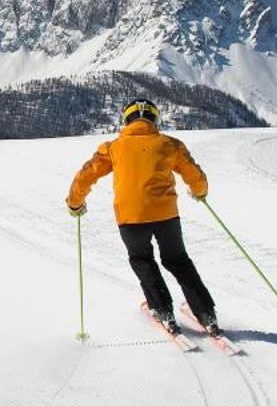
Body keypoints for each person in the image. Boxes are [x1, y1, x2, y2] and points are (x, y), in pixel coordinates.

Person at [65, 98, 220, 335]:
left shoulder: (113, 147)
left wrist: (75, 203)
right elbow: (193, 173)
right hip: (166, 214)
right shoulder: (170, 144)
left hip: (130, 216)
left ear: (126, 120)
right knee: (178, 260)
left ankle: (162, 309)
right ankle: (206, 313)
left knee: (142, 259)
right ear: (155, 119)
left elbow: (86, 175)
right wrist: (200, 192)